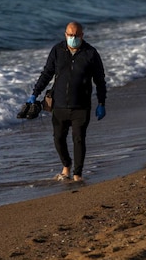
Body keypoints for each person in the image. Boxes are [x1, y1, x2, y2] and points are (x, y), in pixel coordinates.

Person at [24, 22, 107, 183]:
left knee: (79, 139)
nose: (73, 38)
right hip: (59, 104)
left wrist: (101, 103)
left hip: (81, 106)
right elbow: (47, 73)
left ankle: (77, 174)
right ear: (65, 34)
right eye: (70, 35)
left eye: (76, 35)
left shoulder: (91, 53)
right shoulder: (57, 50)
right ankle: (66, 165)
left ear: (82, 35)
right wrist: (35, 94)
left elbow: (100, 80)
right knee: (58, 139)